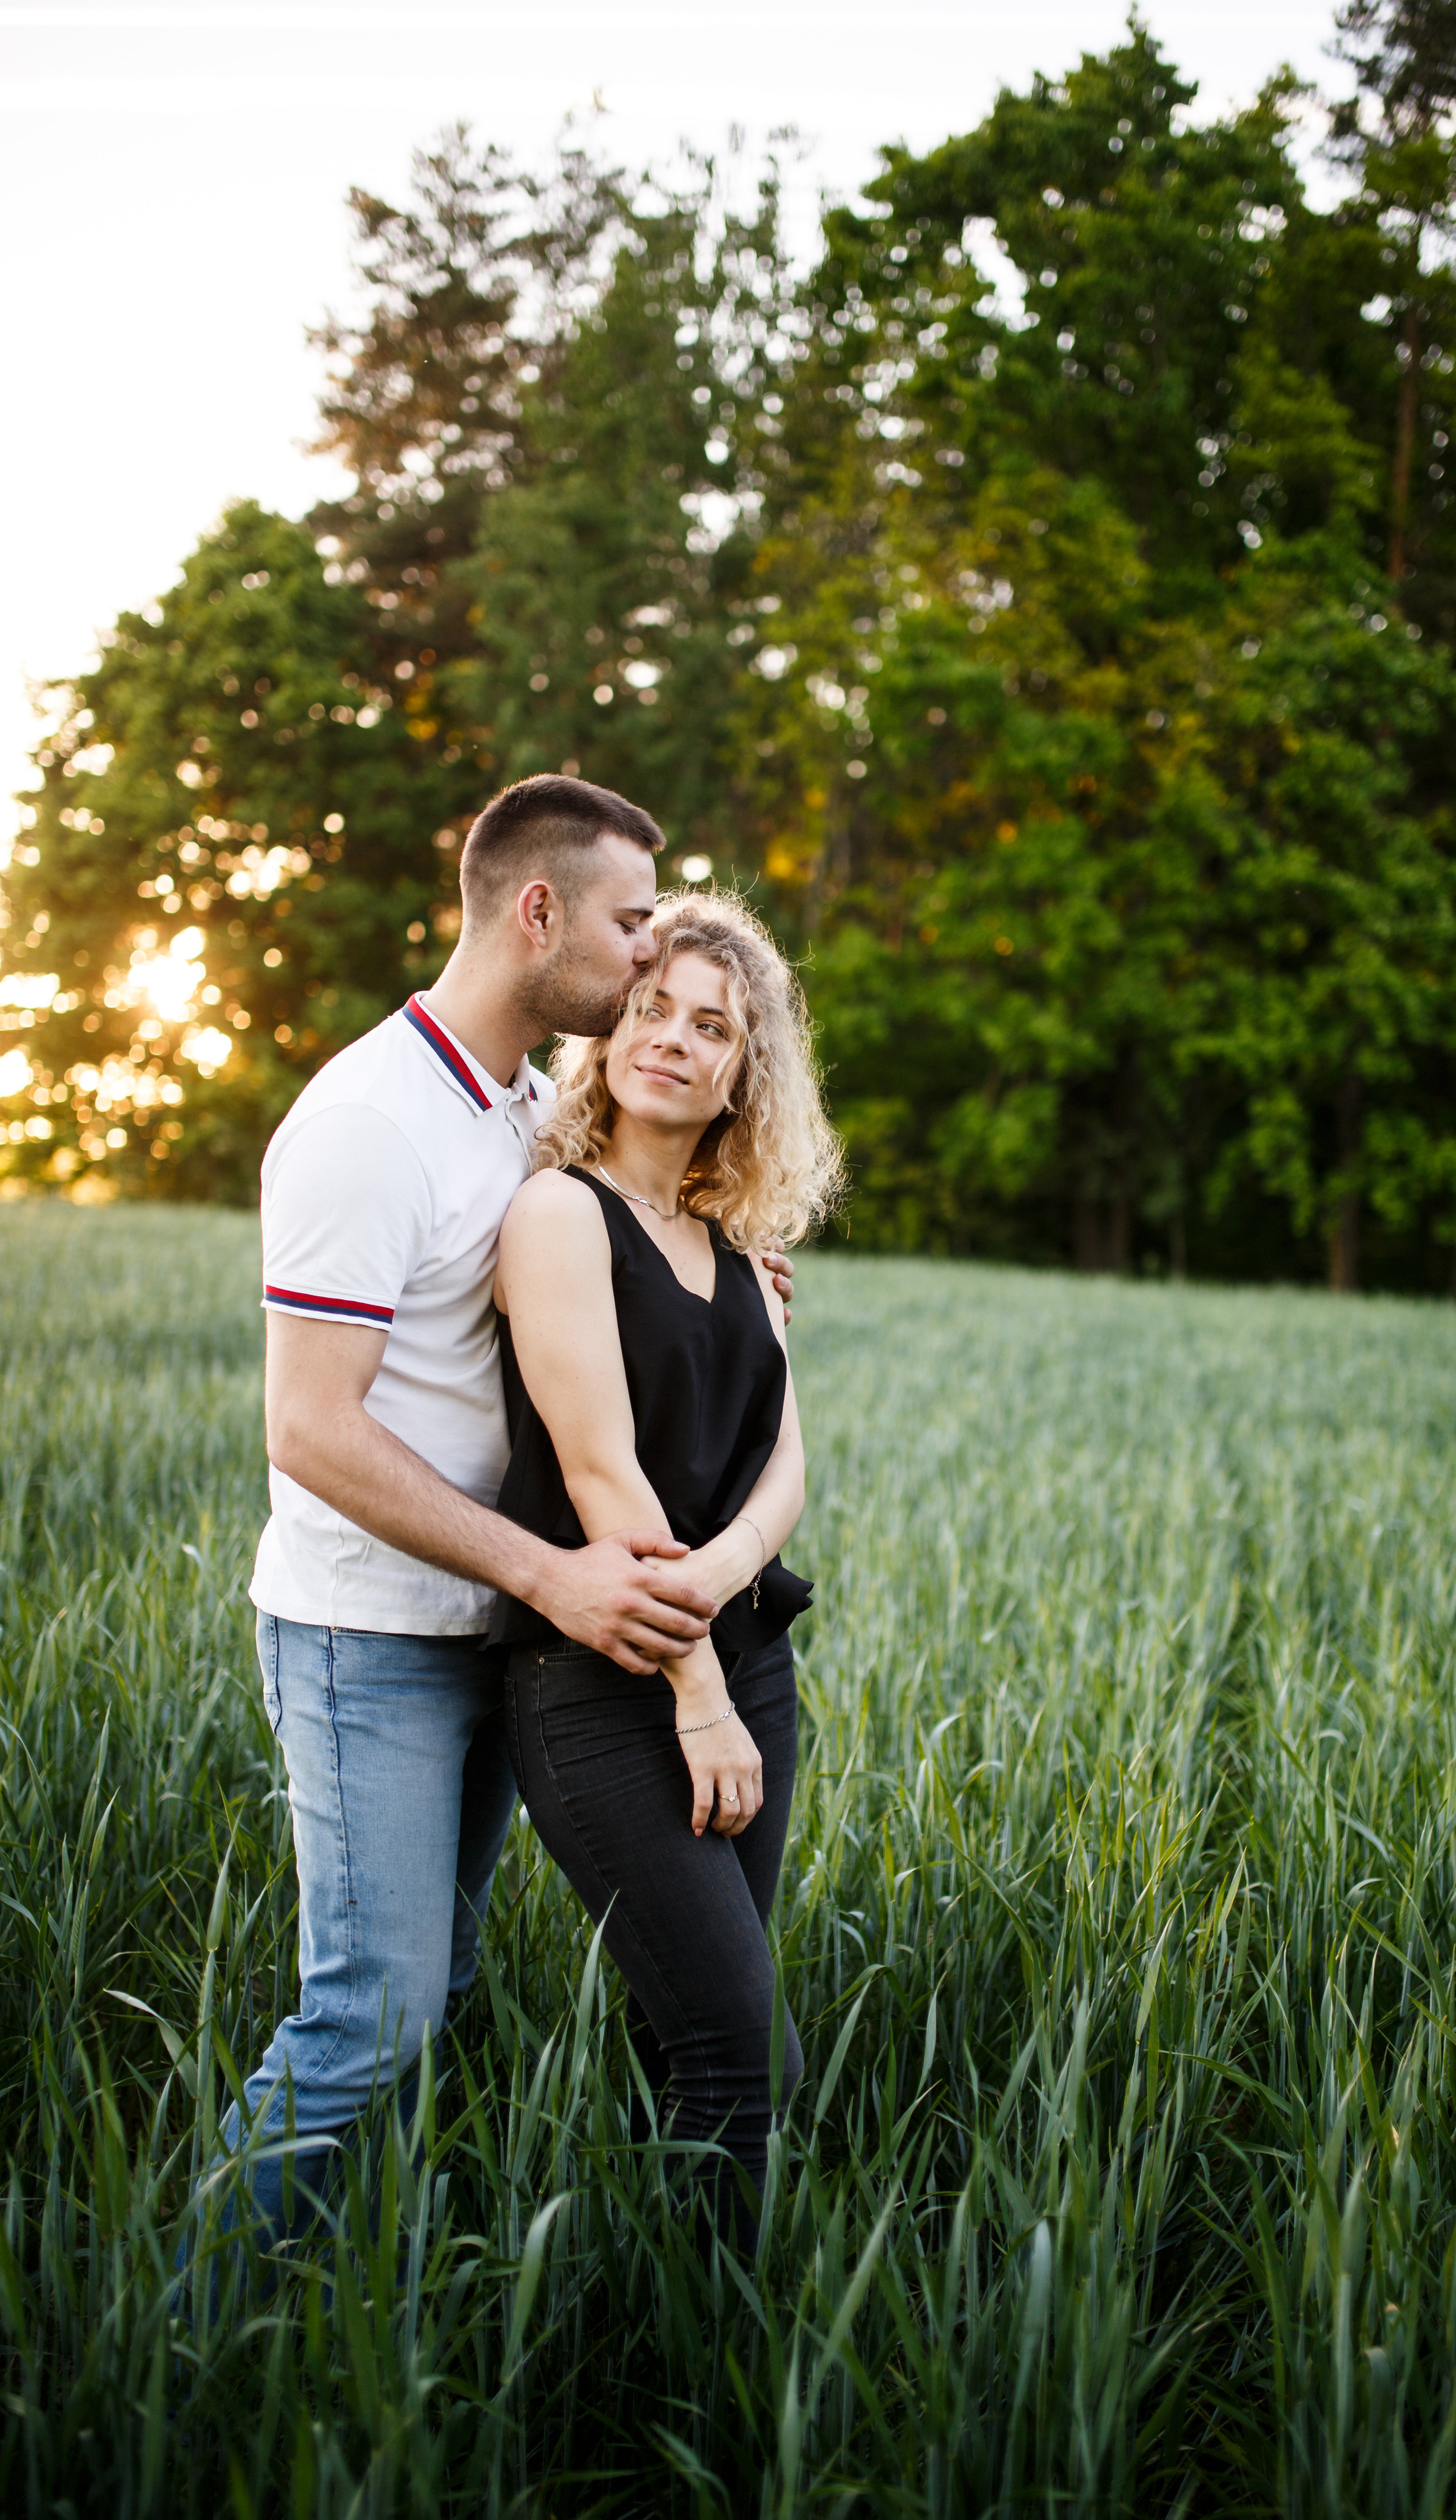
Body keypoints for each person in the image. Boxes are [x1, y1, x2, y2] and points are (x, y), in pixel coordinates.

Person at [216, 773, 794, 2244]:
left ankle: (363, 2303)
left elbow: (617, 1267)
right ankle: (173, 2335)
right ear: (539, 914)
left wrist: (725, 1291)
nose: (645, 955)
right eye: (625, 924)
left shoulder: (530, 1104)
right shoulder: (364, 1121)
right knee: (375, 2014)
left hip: (507, 1622)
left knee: (440, 1992)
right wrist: (548, 1577)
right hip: (377, 1637)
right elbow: (309, 1429)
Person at [495, 889, 841, 2244]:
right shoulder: (558, 1218)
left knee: (691, 2042)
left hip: (750, 1665)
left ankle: (656, 2319)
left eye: (713, 1027)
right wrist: (689, 1679)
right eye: (651, 1010)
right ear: (609, 1034)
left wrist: (724, 1577)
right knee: (747, 2060)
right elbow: (601, 1476)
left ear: (745, 1073)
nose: (674, 1041)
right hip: (607, 1687)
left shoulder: (743, 1257)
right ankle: (712, 2381)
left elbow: (785, 1467)